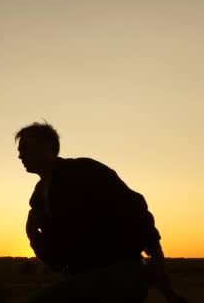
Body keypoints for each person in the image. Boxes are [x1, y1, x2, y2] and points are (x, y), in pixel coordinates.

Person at [15, 121, 187, 303]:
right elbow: (56, 261)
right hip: (84, 279)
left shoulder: (84, 170)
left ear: (51, 147)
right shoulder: (39, 198)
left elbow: (133, 206)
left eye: (25, 148)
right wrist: (33, 236)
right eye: (19, 151)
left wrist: (156, 255)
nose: (20, 155)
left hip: (119, 272)